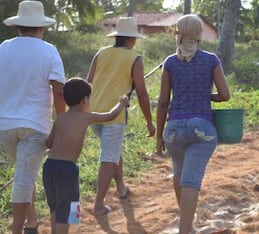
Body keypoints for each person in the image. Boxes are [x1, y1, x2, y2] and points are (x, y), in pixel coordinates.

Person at [0, 1, 66, 233]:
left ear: (18, 26)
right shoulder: (49, 50)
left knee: (24, 174)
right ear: (42, 28)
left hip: (4, 126)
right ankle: (18, 230)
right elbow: (59, 89)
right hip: (35, 126)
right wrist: (61, 123)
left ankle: (32, 223)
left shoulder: (3, 47)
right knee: (23, 180)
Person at [156, 14, 230, 234]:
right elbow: (225, 95)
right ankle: (184, 229)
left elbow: (162, 103)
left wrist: (159, 135)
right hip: (202, 128)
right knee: (191, 180)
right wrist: (208, 97)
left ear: (177, 33)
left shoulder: (170, 62)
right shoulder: (211, 60)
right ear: (199, 35)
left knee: (179, 173)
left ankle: (187, 226)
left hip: (173, 129)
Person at [86, 17, 155, 216]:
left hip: (94, 113)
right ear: (131, 39)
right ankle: (98, 204)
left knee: (113, 151)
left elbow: (88, 83)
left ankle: (121, 188)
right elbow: (142, 93)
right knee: (108, 158)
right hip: (114, 116)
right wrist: (149, 122)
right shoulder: (135, 59)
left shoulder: (101, 53)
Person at [42, 78, 129, 234]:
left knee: (56, 208)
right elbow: (110, 115)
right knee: (69, 208)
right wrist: (122, 103)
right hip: (67, 170)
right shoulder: (86, 117)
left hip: (49, 167)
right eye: (90, 98)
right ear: (84, 100)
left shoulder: (60, 118)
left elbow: (48, 143)